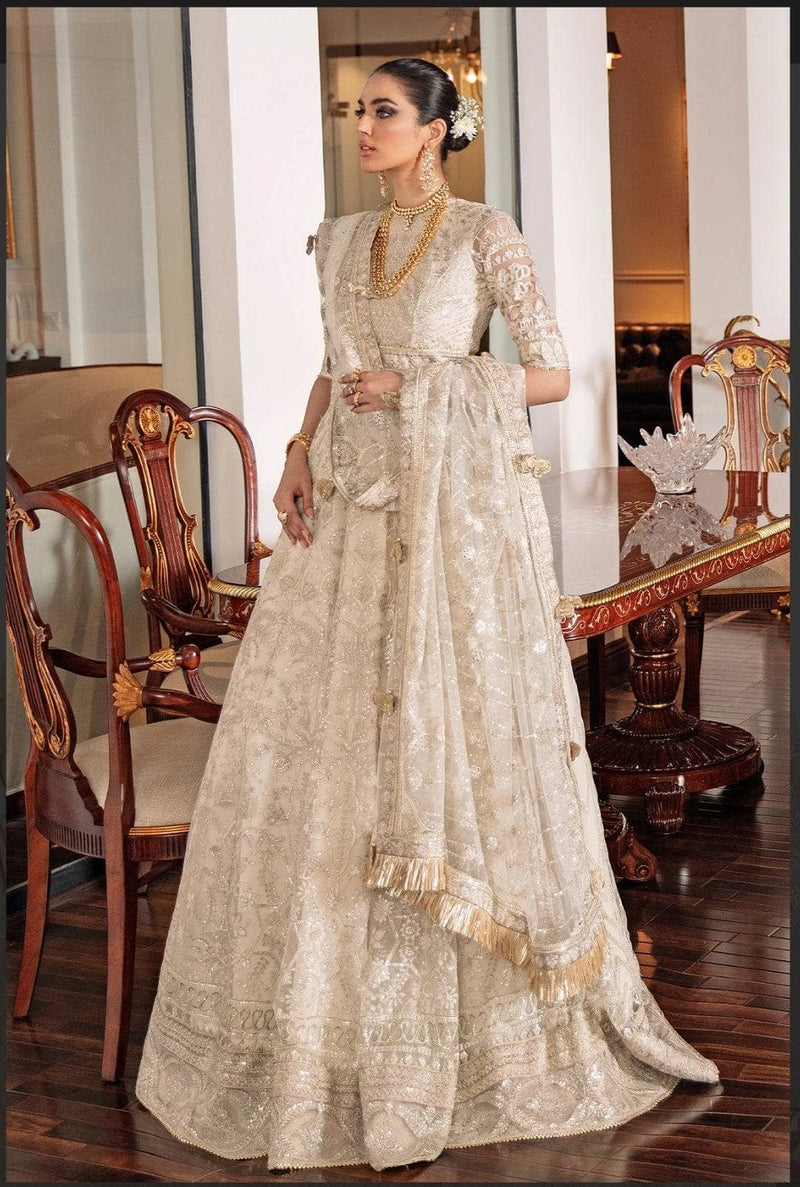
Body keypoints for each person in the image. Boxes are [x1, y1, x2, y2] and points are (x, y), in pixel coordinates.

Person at [136, 57, 718, 1171]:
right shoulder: (341, 240)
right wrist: (296, 452)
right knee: (323, 765)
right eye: (357, 111)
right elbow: (330, 365)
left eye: (386, 112)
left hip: (445, 534)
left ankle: (455, 1037)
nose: (364, 127)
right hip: (341, 529)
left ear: (439, 128)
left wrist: (422, 387)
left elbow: (551, 373)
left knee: (440, 746)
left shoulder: (482, 235)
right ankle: (320, 1038)